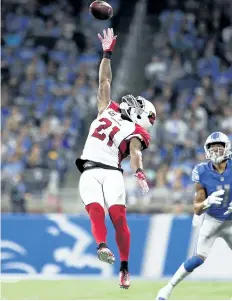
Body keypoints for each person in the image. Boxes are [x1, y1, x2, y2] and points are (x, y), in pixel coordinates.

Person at [76, 28, 156, 289]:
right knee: (95, 212)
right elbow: (104, 82)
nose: (136, 102)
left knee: (118, 217)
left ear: (140, 117)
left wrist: (140, 172)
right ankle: (102, 246)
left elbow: (134, 152)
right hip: (88, 169)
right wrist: (107, 54)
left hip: (111, 171)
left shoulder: (137, 130)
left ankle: (124, 268)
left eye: (141, 106)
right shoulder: (106, 108)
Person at [156, 132, 232, 300]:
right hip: (212, 220)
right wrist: (206, 202)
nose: (215, 152)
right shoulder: (201, 171)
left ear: (227, 149)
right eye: (212, 149)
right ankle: (166, 289)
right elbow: (197, 208)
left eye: (219, 149)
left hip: (231, 222)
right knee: (198, 258)